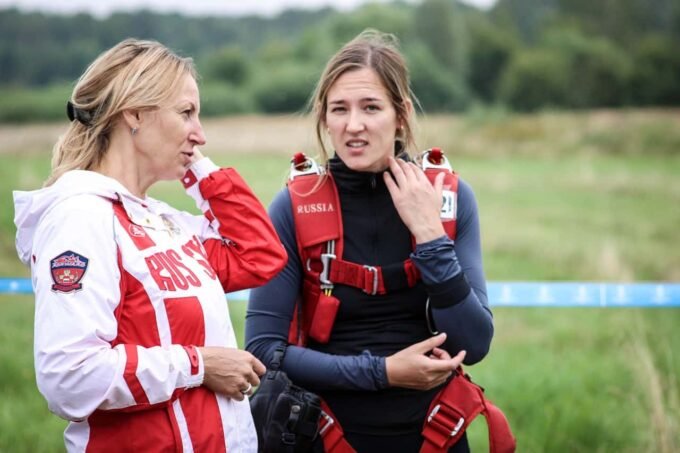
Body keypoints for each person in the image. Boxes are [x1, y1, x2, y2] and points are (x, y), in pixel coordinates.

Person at [13, 38, 287, 452]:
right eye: (186, 113)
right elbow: (69, 377)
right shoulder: (80, 217)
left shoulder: (166, 223)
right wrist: (199, 364)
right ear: (136, 113)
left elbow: (259, 255)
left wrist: (197, 168)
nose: (201, 134)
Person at [245, 30, 497, 452]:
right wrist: (383, 372)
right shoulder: (294, 206)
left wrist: (431, 236)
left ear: (401, 115)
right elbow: (263, 350)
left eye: (371, 107)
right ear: (324, 118)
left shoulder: (450, 200)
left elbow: (473, 345)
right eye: (339, 109)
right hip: (325, 435)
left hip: (435, 436)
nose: (353, 125)